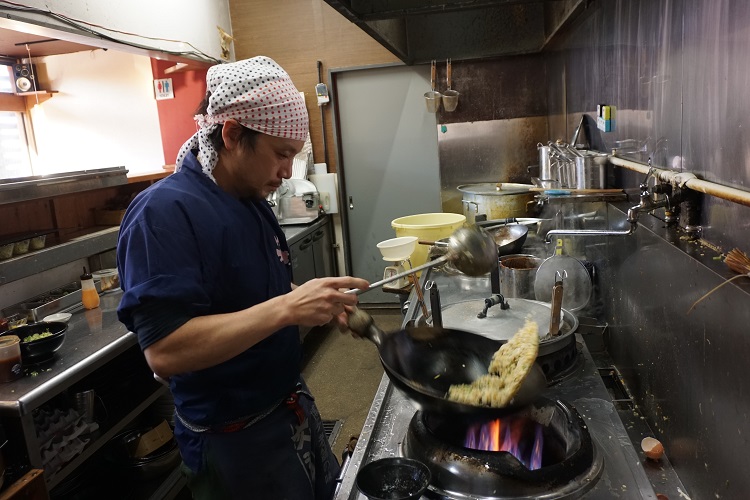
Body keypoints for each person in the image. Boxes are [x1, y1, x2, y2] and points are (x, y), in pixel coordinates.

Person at [116, 56, 369, 499]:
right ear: (232, 134)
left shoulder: (249, 200)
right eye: (281, 154)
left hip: (288, 410)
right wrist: (288, 308)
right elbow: (166, 350)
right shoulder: (163, 214)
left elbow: (260, 294)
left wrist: (313, 300)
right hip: (232, 442)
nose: (287, 172)